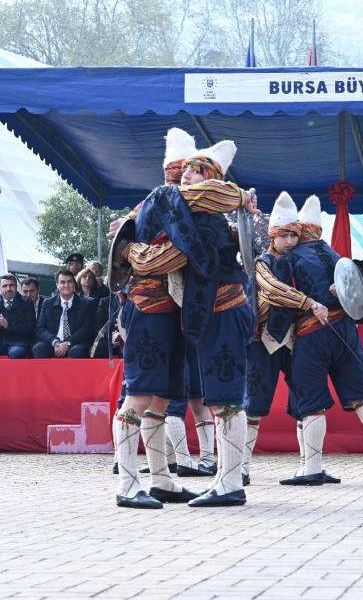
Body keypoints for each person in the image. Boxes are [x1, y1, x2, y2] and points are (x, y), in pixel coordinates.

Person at [112, 129, 257, 508]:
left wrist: (127, 249)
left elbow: (164, 254)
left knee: (179, 398)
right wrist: (128, 249)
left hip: (197, 314)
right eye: (181, 172)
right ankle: (132, 484)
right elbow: (157, 257)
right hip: (152, 312)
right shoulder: (165, 207)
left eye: (193, 171)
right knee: (143, 397)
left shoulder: (196, 217)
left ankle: (199, 481)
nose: (183, 178)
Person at [270, 195, 363, 485]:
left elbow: (283, 303)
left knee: (311, 403)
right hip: (346, 331)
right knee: (361, 396)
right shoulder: (335, 255)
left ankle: (312, 467)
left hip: (312, 334)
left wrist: (273, 334)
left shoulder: (289, 259)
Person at [244, 192, 336, 486]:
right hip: (263, 340)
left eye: (294, 235)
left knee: (305, 403)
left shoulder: (300, 261)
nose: (290, 240)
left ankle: (310, 466)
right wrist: (309, 302)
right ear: (273, 235)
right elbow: (272, 290)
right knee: (253, 405)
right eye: (284, 235)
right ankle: (240, 468)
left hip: (296, 339)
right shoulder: (262, 262)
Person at [33, 270, 96, 359]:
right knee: (39, 348)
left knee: (78, 351)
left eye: (69, 282)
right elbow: (40, 328)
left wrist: (68, 342)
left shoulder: (86, 303)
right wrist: (55, 342)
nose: (66, 285)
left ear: (74, 283)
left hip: (75, 343)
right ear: (57, 285)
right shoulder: (48, 303)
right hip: (53, 343)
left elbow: (87, 328)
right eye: (62, 282)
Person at [0, 274, 36, 358]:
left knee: (16, 353)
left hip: (18, 342)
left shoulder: (27, 302)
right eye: (5, 286)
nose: (8, 289)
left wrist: (8, 325)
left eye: (11, 285)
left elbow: (30, 328)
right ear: (0, 288)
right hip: (1, 341)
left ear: (16, 287)